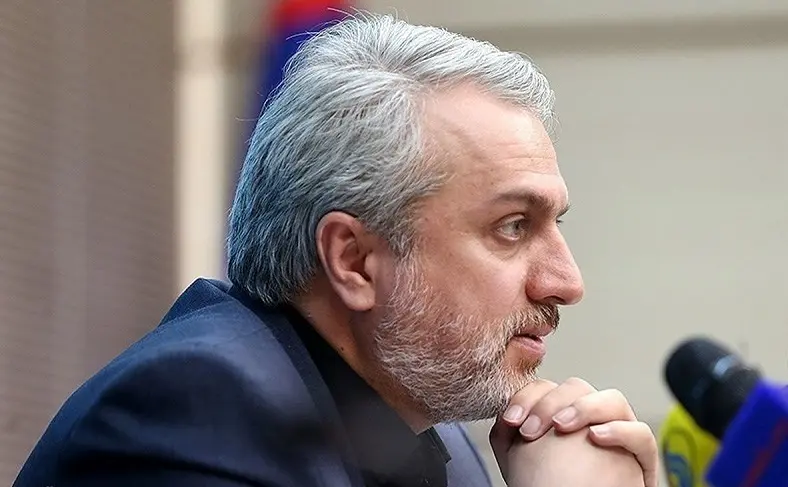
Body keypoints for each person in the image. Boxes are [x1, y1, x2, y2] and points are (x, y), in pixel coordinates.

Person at [14, 13, 658, 487]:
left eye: (555, 225)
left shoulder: (441, 440)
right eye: (513, 226)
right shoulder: (195, 411)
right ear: (353, 261)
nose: (566, 281)